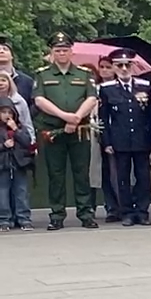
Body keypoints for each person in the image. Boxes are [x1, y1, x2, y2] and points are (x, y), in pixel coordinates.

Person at [31, 33, 99, 230]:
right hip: (53, 131)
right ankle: (57, 215)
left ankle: (86, 214)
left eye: (65, 50)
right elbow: (39, 100)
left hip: (80, 131)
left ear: (71, 51)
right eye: (57, 50)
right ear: (51, 52)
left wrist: (77, 117)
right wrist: (65, 116)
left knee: (81, 174)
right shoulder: (42, 74)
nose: (61, 53)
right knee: (56, 174)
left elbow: (92, 98)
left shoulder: (84, 73)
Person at [95, 49, 151, 226]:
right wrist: (107, 141)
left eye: (127, 65)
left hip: (142, 139)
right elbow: (103, 118)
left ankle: (142, 211)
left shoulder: (144, 86)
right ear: (114, 67)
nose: (123, 68)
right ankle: (127, 212)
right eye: (119, 65)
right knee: (122, 178)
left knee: (143, 177)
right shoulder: (107, 89)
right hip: (119, 140)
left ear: (132, 66)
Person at [0, 100, 35, 230]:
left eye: (10, 112)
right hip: (2, 164)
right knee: (2, 192)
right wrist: (4, 146)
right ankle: (4, 220)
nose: (7, 115)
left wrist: (16, 130)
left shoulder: (19, 127)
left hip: (18, 163)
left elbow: (27, 141)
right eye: (3, 112)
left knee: (21, 191)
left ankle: (24, 218)